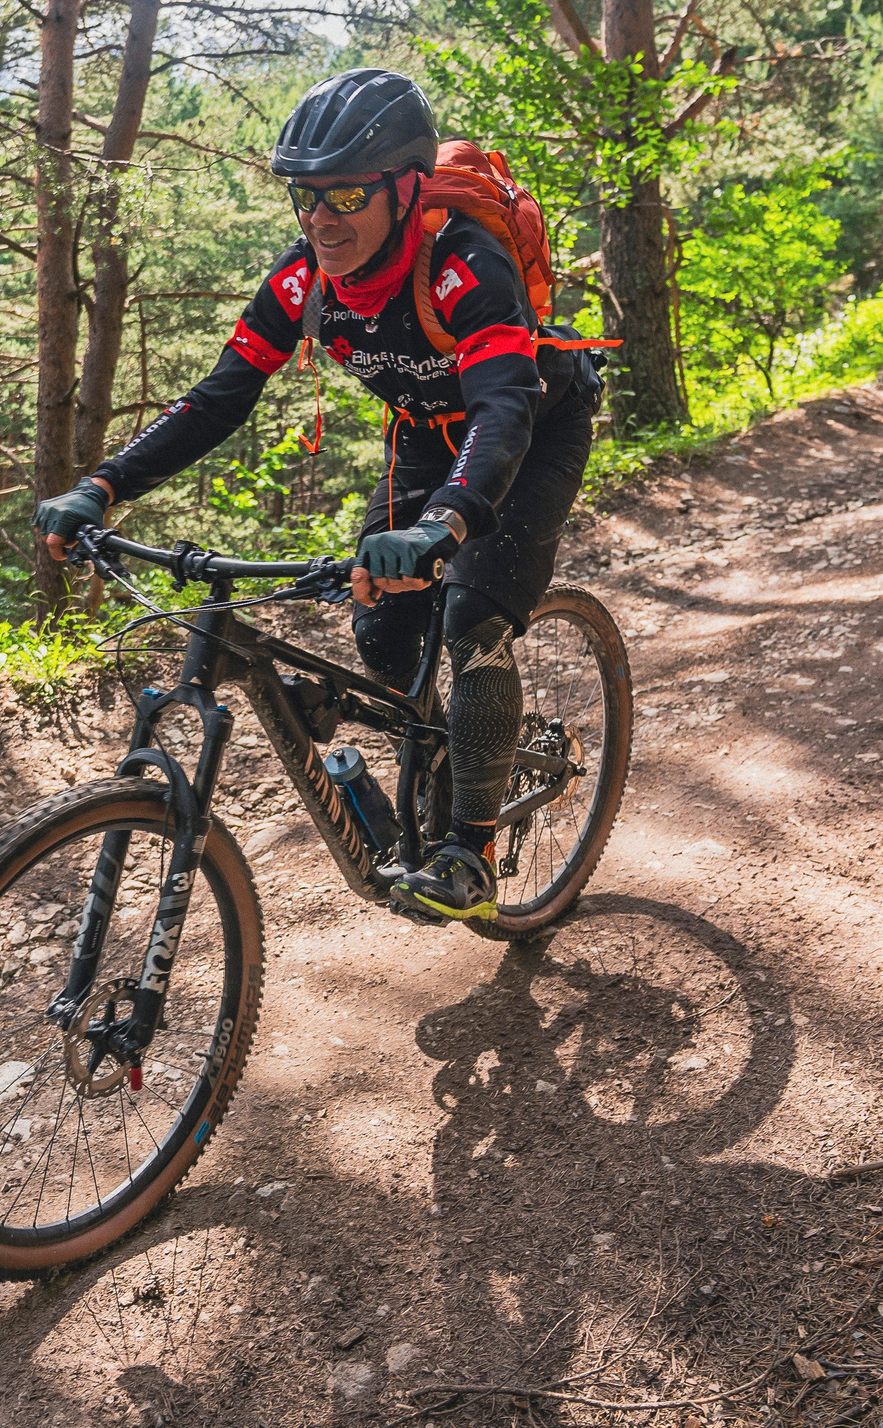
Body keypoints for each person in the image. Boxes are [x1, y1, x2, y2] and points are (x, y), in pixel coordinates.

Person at [32, 67, 601, 923]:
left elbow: (503, 409)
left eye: (344, 195)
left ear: (406, 189)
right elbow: (217, 399)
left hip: (529, 428)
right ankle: (457, 757)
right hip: (425, 437)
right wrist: (101, 485)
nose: (321, 220)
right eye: (305, 197)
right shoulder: (306, 280)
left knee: (474, 619)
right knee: (381, 632)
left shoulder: (462, 265)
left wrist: (445, 524)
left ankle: (471, 848)